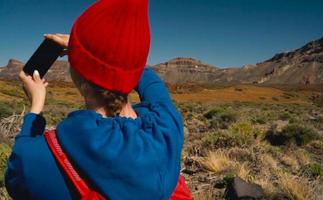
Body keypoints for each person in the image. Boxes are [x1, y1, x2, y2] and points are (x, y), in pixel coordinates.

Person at [5, 0, 191, 199]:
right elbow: (150, 81)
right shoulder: (167, 123)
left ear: (79, 76)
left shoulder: (40, 160)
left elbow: (16, 177)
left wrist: (35, 107)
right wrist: (101, 53)